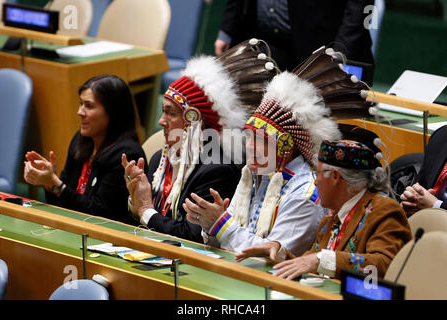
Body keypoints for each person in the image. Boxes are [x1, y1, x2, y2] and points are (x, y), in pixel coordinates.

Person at [183, 46, 376, 257]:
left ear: (286, 147)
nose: (250, 148)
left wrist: (220, 225)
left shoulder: (305, 194)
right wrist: (210, 224)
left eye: (261, 141)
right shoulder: (254, 174)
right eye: (248, 137)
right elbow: (229, 241)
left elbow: (271, 256)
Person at [123, 39, 279, 243]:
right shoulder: (158, 162)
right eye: (163, 112)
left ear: (194, 121)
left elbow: (192, 234)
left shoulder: (217, 170)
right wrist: (136, 198)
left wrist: (145, 211)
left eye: (171, 113)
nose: (161, 121)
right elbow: (140, 221)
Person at [236, 137, 412, 280]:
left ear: (335, 177)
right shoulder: (331, 215)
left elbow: (385, 265)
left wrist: (321, 259)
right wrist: (278, 251)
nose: (315, 181)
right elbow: (308, 263)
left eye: (318, 174)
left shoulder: (385, 210)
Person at [24, 74, 146, 225]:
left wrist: (57, 184)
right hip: (71, 229)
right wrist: (49, 182)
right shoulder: (81, 140)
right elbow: (63, 204)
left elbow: (99, 215)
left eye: (89, 106)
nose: (80, 112)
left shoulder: (127, 154)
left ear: (112, 112)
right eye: (81, 104)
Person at [215, 0, 375, 71]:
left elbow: (361, 6)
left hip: (320, 54)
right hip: (260, 45)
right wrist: (227, 31)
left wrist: (341, 52)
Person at [400, 125, 447, 214]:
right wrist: (411, 201)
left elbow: (430, 204)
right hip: (422, 223)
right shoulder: (442, 136)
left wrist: (436, 206)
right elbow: (421, 186)